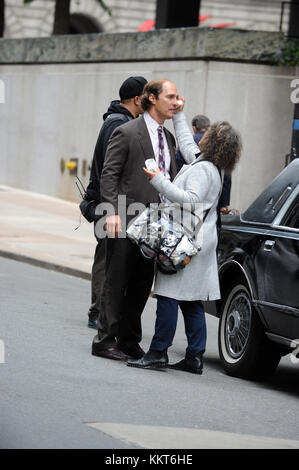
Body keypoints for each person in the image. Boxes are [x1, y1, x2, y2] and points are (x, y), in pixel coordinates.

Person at [127, 99, 242, 374]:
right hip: (199, 240)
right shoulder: (208, 164)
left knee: (168, 294)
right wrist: (179, 116)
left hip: (184, 240)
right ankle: (194, 356)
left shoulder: (203, 169)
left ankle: (158, 352)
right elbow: (187, 143)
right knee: (191, 300)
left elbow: (190, 200)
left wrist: (157, 178)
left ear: (212, 141)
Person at [91, 79, 179, 361]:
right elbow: (109, 175)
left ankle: (129, 339)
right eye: (171, 96)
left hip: (156, 225)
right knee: (117, 281)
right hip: (126, 218)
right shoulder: (126, 131)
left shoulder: (170, 139)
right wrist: (113, 212)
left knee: (142, 284)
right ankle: (104, 340)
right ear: (151, 98)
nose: (176, 102)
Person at [81, 76, 148, 329]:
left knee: (107, 256)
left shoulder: (116, 120)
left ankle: (100, 310)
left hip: (110, 202)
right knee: (106, 257)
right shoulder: (119, 124)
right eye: (146, 96)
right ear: (135, 99)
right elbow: (111, 170)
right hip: (110, 203)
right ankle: (98, 311)